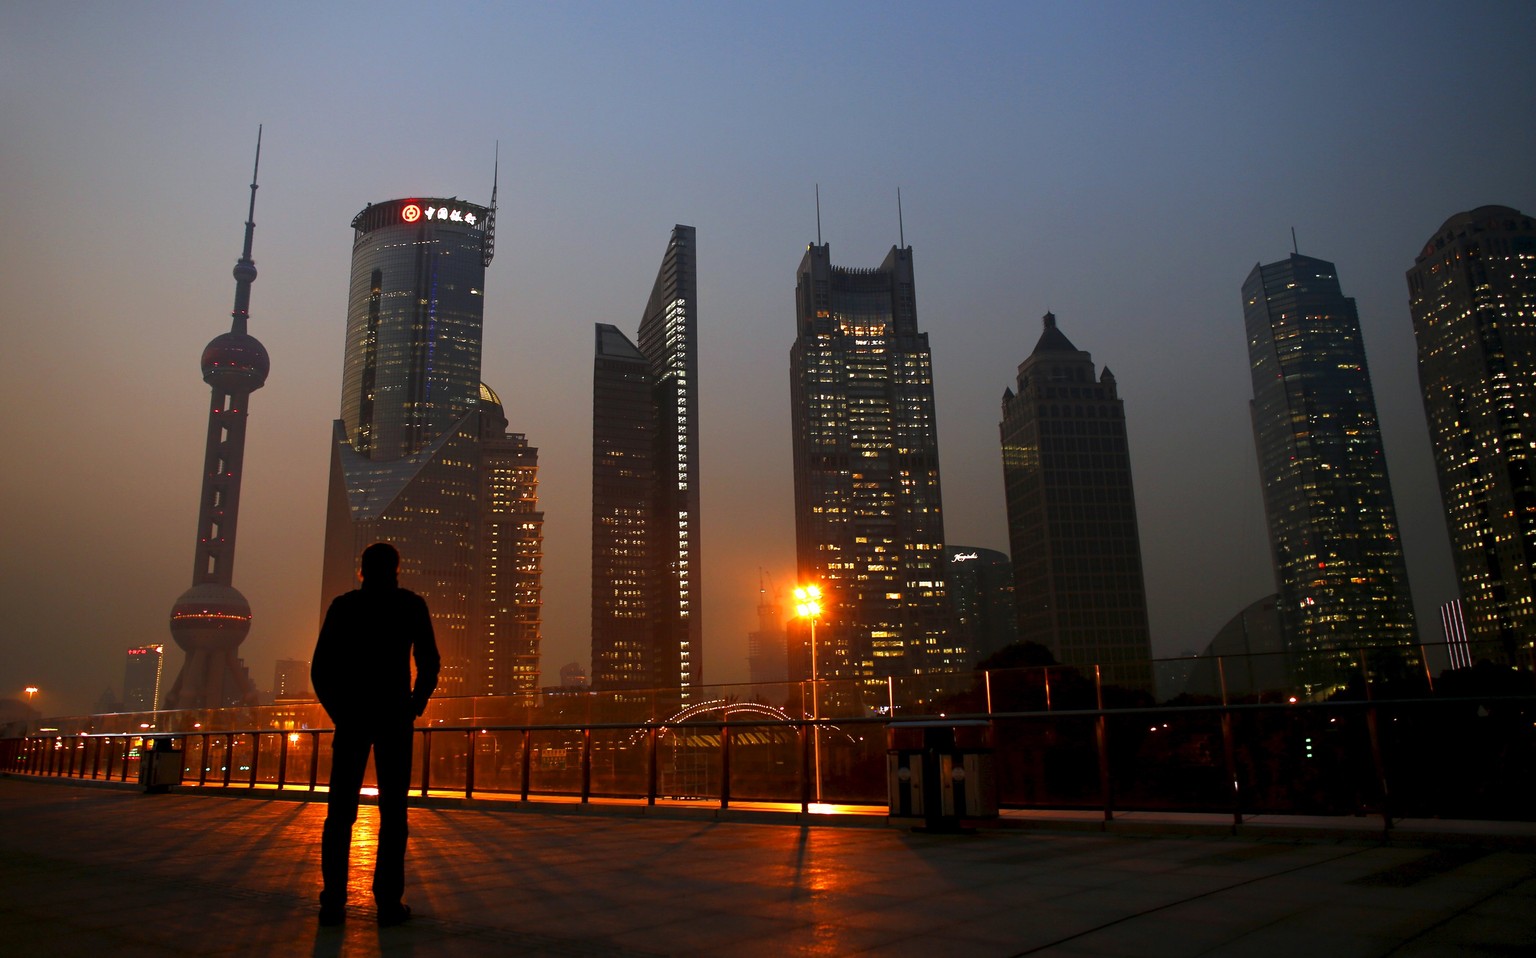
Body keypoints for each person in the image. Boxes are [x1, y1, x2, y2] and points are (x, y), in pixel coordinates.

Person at [311, 542, 440, 927]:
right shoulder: (410, 605)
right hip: (394, 718)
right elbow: (430, 661)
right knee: (393, 814)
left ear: (361, 570)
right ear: (397, 569)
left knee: (339, 814)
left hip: (352, 718)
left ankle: (333, 902)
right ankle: (387, 903)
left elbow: (321, 669)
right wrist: (415, 703)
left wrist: (340, 712)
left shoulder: (344, 607)